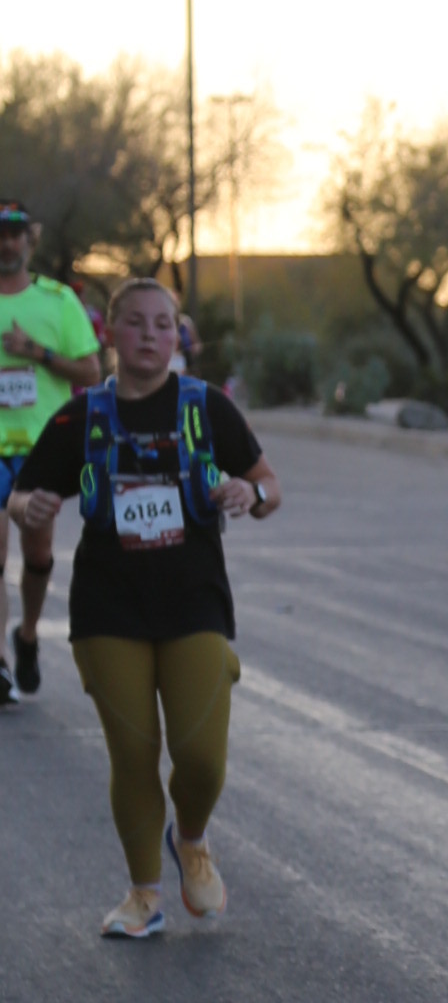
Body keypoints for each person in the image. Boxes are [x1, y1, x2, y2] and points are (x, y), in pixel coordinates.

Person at [6, 270, 279, 935]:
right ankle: (144, 897)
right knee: (132, 756)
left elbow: (268, 484)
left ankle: (191, 838)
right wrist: (26, 506)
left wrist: (251, 495)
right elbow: (22, 493)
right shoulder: (81, 416)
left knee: (201, 758)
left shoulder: (206, 408)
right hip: (108, 610)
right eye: (136, 323)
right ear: (112, 334)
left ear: (177, 337)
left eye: (164, 325)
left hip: (194, 604)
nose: (151, 336)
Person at [0, 201, 105, 705]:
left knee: (37, 555)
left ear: (30, 239)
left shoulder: (58, 301)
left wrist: (36, 352)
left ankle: (26, 635)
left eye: (14, 233)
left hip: (42, 450)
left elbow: (91, 372)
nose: (6, 243)